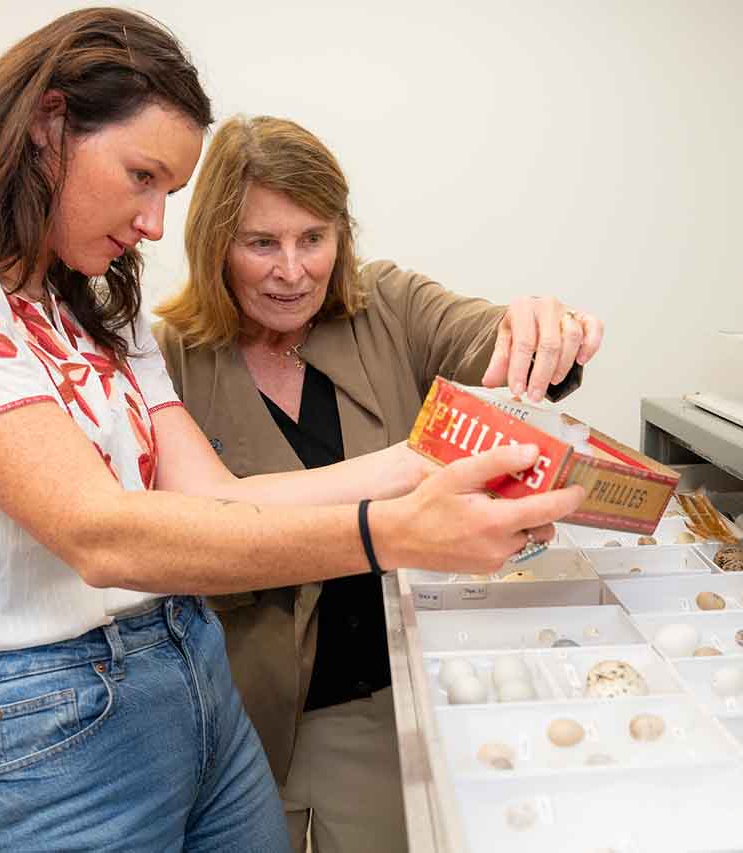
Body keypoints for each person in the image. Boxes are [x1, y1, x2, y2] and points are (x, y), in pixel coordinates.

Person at [0, 11, 583, 852]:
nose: (154, 222)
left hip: (191, 673)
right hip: (42, 718)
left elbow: (225, 500)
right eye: (141, 176)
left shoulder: (97, 309)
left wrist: (422, 461)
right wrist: (394, 532)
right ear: (49, 125)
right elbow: (100, 534)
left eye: (171, 191)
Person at [154, 114, 604, 853]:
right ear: (212, 247)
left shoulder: (388, 306)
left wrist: (543, 331)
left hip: (375, 705)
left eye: (313, 238)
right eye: (261, 242)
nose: (292, 269)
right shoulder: (168, 357)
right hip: (228, 715)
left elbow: (484, 334)